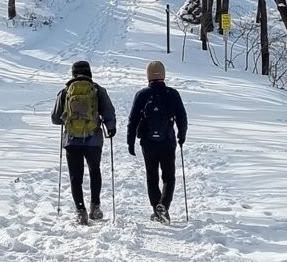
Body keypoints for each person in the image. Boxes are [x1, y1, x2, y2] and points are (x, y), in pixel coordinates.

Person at [51, 61, 116, 225]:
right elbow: (108, 111)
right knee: (94, 170)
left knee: (75, 176)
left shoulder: (65, 91)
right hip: (93, 140)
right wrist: (110, 127)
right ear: (89, 72)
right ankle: (95, 207)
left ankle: (81, 211)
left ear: (73, 73)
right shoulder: (97, 90)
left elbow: (55, 118)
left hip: (72, 140)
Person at [126, 60, 187, 223]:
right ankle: (164, 206)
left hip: (148, 143)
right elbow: (182, 117)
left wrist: (130, 142)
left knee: (151, 177)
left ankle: (156, 208)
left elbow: (133, 120)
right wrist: (182, 135)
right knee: (168, 177)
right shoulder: (172, 94)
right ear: (163, 75)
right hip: (167, 141)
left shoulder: (142, 95)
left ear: (148, 76)